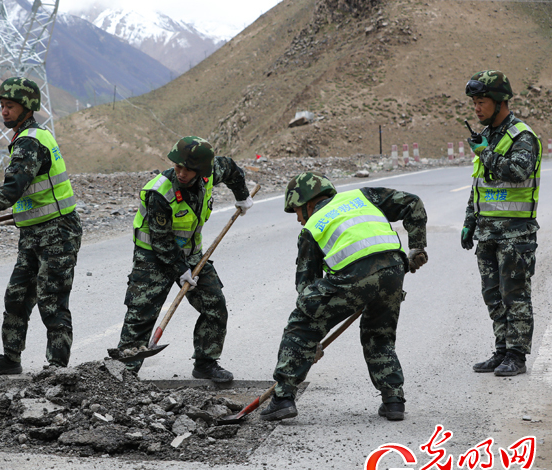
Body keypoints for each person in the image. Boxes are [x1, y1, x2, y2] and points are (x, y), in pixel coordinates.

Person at [260, 172, 428, 422]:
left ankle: (283, 398)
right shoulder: (363, 196)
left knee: (300, 324)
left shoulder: (311, 228)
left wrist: (307, 342)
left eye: (295, 210)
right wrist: (416, 247)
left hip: (354, 276)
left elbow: (306, 289)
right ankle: (393, 400)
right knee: (378, 334)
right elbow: (412, 202)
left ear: (307, 202)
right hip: (393, 270)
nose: (297, 218)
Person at [113, 136, 254, 382]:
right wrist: (181, 270)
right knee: (141, 314)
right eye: (178, 166)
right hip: (153, 257)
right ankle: (124, 374)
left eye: (188, 170)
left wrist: (242, 196)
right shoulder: (159, 192)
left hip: (191, 255)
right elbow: (162, 242)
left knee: (214, 305)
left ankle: (206, 363)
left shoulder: (210, 174)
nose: (181, 173)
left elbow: (231, 168)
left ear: (201, 170)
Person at [0, 77, 82, 376]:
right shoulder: (28, 137)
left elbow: (15, 185)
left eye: (10, 106)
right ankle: (10, 358)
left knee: (51, 299)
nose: (3, 112)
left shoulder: (30, 141)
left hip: (57, 232)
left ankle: (57, 369)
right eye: (2, 106)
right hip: (34, 232)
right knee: (17, 295)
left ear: (27, 108)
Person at [462, 70, 542, 377]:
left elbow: (518, 171)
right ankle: (501, 349)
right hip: (488, 233)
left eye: (481, 102)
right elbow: (479, 184)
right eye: (474, 103)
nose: (477, 109)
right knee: (493, 295)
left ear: (499, 102)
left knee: (516, 295)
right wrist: (470, 221)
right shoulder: (489, 138)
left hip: (515, 234)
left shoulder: (522, 136)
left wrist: (488, 154)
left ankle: (517, 355)